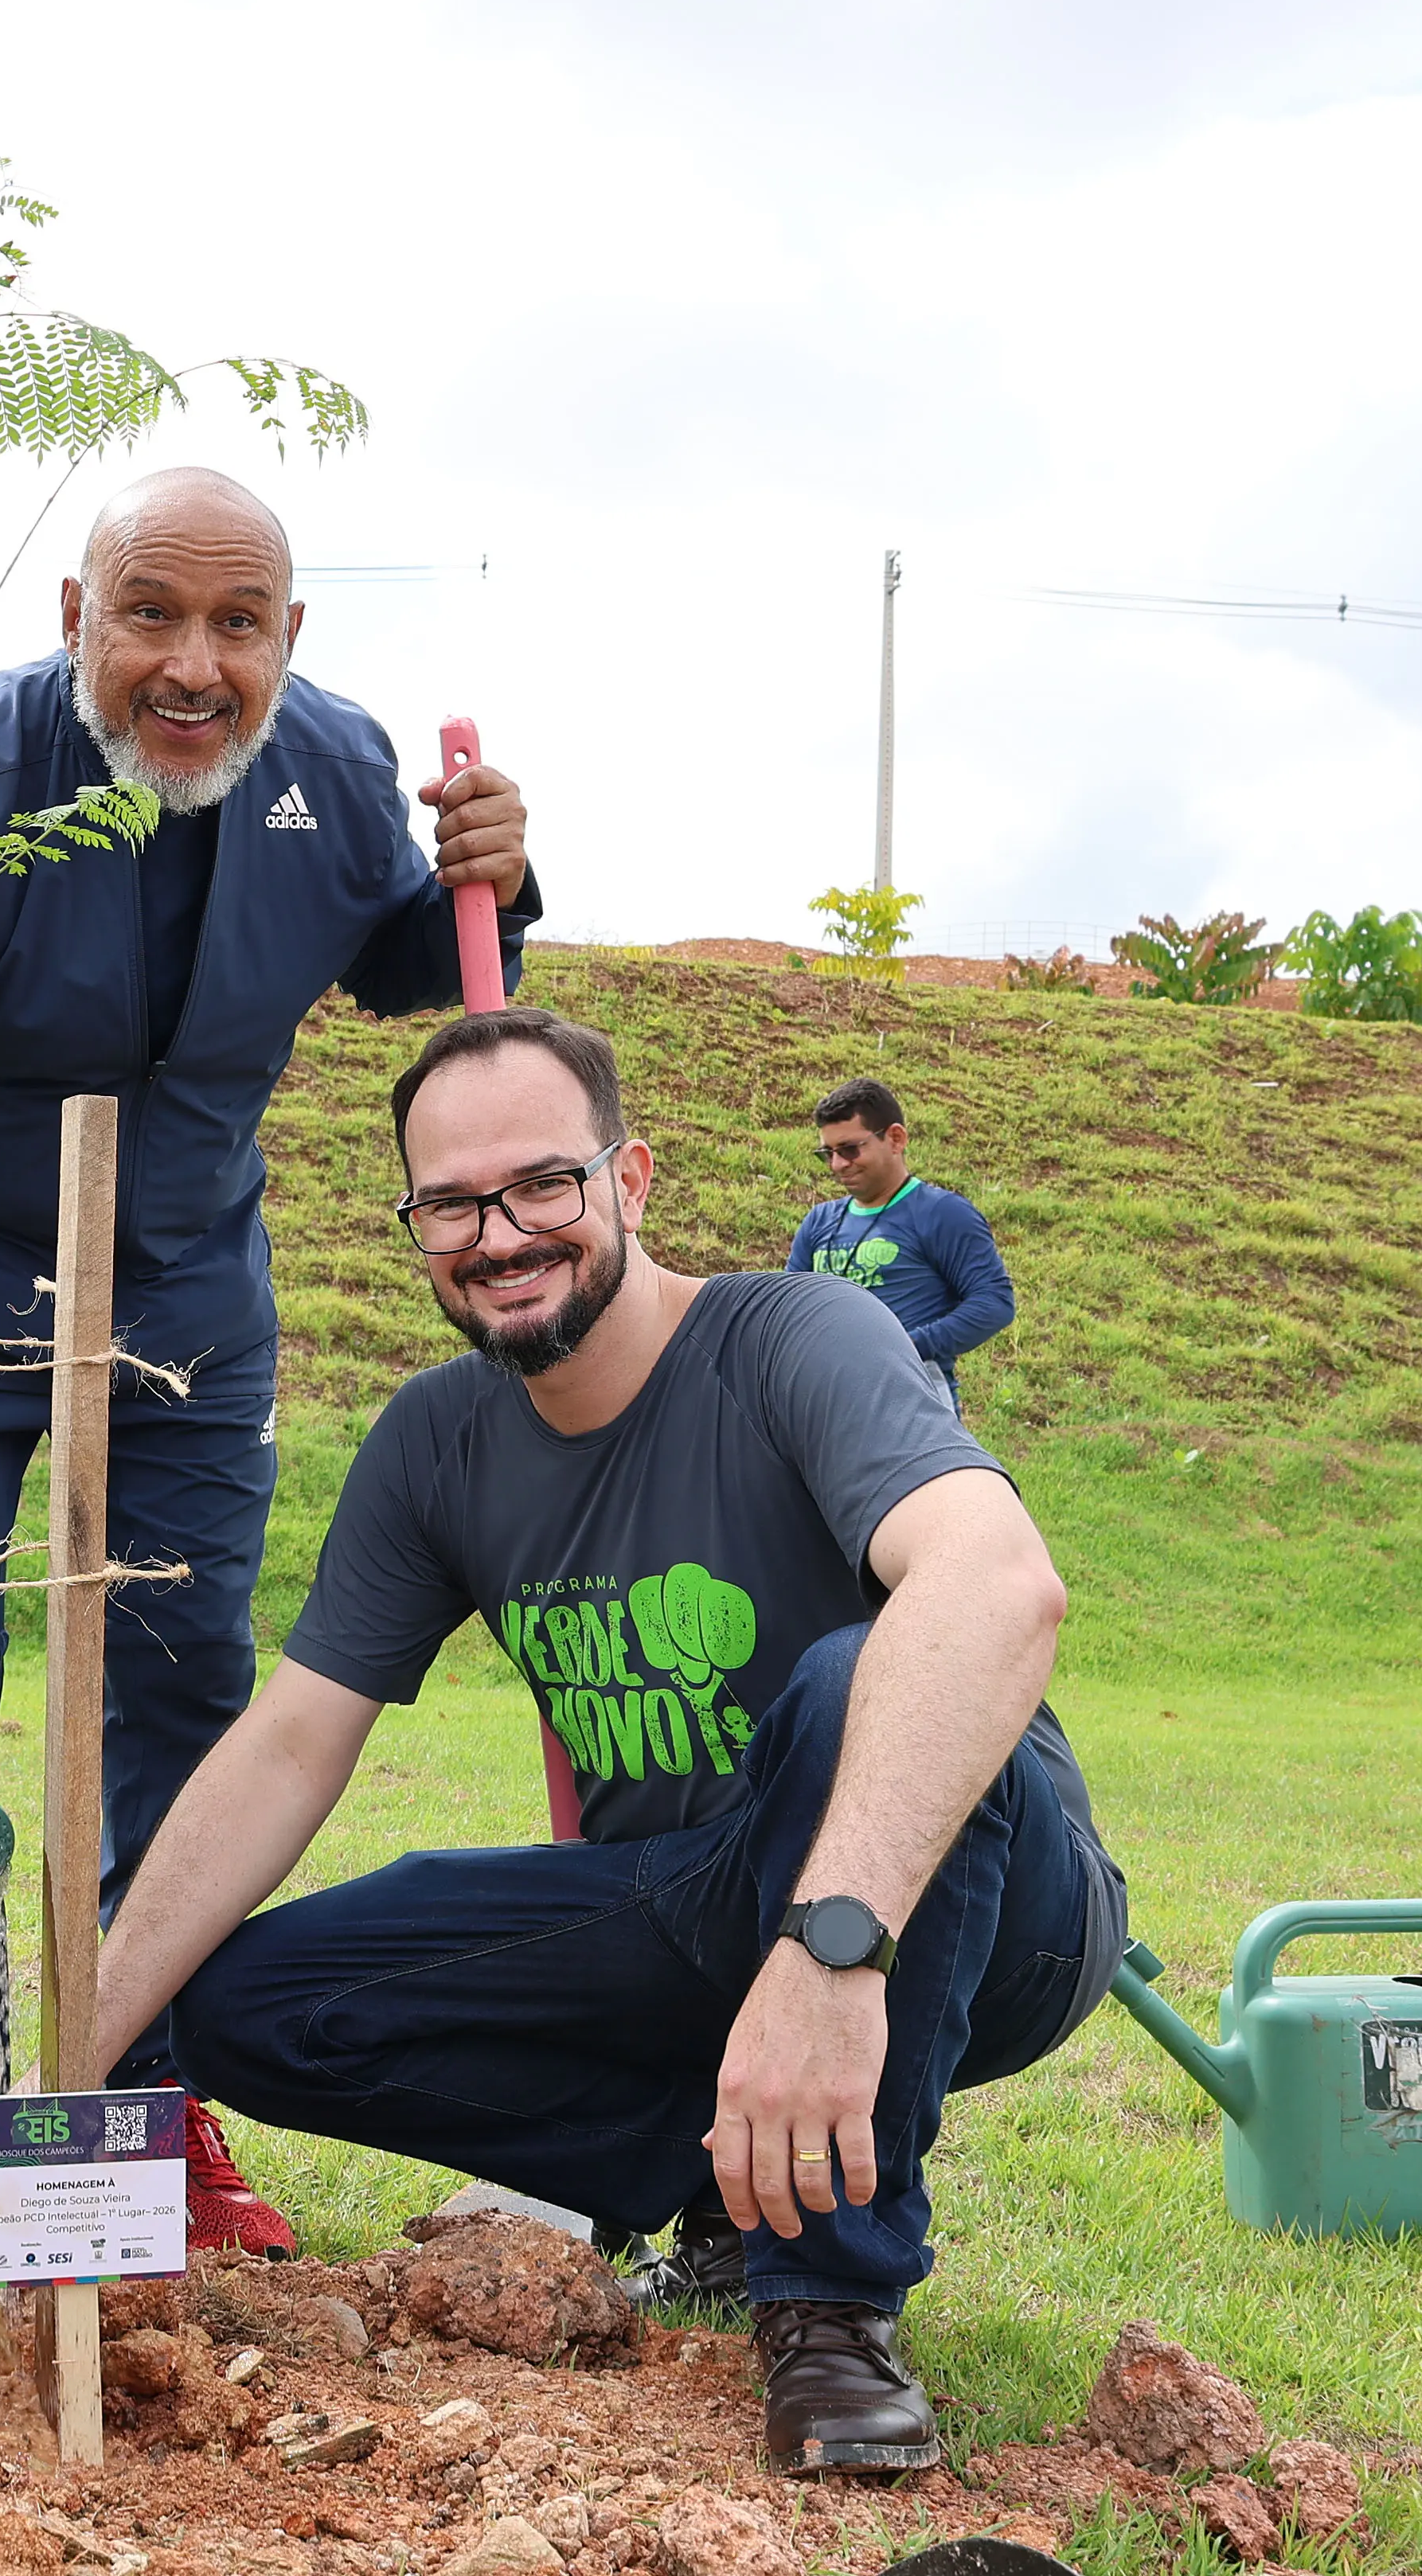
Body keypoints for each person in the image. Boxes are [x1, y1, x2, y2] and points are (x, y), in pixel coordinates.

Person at [72, 1008, 1123, 2475]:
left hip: (984, 1897)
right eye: (451, 1205)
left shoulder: (797, 1338)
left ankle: (828, 2305)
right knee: (245, 2002)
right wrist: (78, 2047)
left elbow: (998, 1585)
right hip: (699, 1900)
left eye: (541, 1186)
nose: (499, 1237)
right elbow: (292, 1744)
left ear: (628, 1180)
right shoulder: (436, 1443)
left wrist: (829, 1949)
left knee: (848, 1678)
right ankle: (717, 2182)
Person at [0, 464, 537, 2255]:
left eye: (239, 624)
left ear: (289, 638)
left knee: (182, 1680)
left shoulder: (331, 764)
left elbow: (399, 959)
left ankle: (144, 2102)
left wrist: (493, 880)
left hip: (184, 1285)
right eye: (149, 614)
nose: (193, 664)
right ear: (75, 617)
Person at [783, 1077, 1014, 1411]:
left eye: (850, 1150)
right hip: (830, 1404)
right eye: (827, 1154)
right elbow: (791, 1309)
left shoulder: (941, 1213)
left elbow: (994, 1303)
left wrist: (905, 1347)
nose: (838, 1165)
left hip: (913, 1405)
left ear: (895, 1139)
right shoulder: (819, 1221)